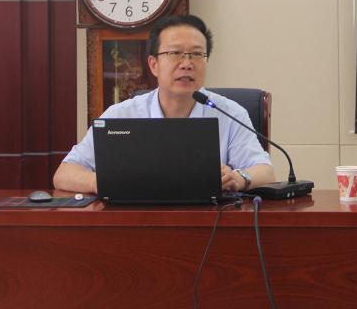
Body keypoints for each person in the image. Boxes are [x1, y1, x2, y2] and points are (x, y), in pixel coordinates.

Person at [53, 14, 275, 194]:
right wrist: (102, 182)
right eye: (175, 53)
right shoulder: (122, 115)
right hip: (137, 224)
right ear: (153, 64)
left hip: (210, 224)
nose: (187, 63)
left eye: (197, 54)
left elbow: (265, 172)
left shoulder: (229, 113)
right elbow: (64, 174)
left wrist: (238, 178)